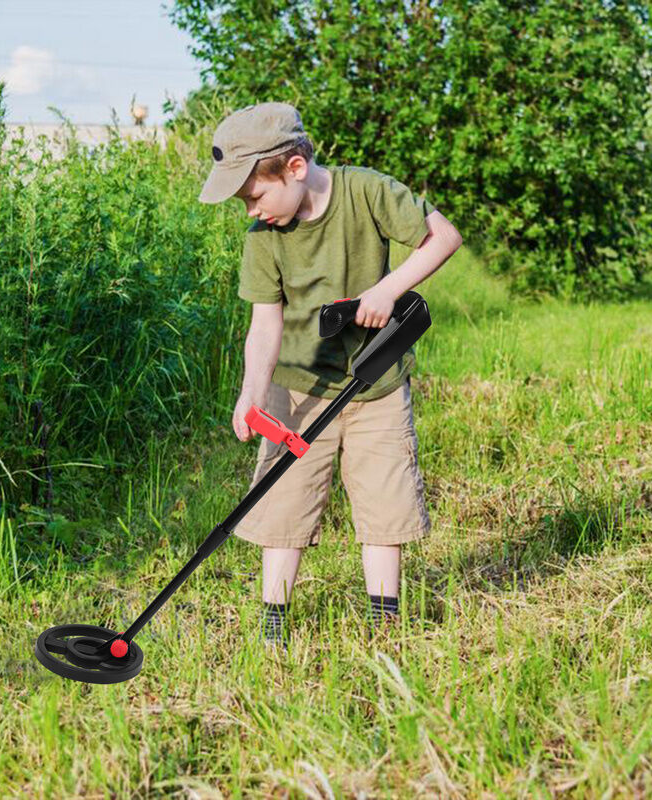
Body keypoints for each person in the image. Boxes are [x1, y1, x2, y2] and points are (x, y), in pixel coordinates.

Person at [198, 101, 462, 650]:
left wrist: (387, 290)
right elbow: (264, 326)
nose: (252, 209)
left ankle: (384, 628)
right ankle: (274, 629)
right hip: (296, 390)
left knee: (384, 503)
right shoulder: (262, 237)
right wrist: (252, 393)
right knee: (281, 505)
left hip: (376, 385)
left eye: (255, 195)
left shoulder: (367, 193)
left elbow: (444, 236)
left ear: (294, 168)